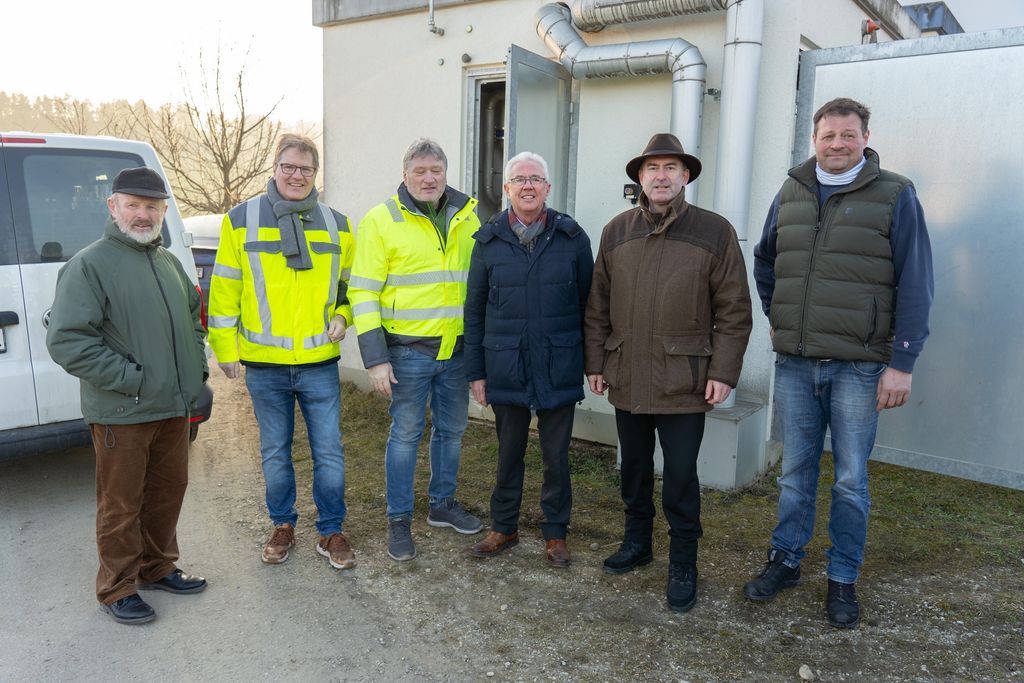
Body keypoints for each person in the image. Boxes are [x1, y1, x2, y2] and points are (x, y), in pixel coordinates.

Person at [745, 97, 934, 629]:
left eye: (848, 135)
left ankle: (843, 578)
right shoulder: (791, 190)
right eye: (828, 136)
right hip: (799, 363)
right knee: (795, 473)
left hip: (859, 367)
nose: (837, 144)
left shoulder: (895, 193)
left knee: (851, 479)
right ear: (815, 138)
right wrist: (778, 317)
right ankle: (785, 559)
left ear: (865, 136)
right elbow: (766, 259)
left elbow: (916, 280)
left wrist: (903, 361)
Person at [584, 133, 752, 613]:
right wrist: (595, 362)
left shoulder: (714, 231)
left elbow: (735, 310)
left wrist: (724, 371)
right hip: (628, 378)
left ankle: (684, 562)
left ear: (686, 177)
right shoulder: (616, 231)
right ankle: (638, 543)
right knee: (633, 470)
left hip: (685, 381)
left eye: (671, 168)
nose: (661, 176)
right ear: (640, 177)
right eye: (653, 168)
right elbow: (597, 305)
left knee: (680, 476)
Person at [46, 167, 209, 625]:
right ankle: (116, 588)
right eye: (134, 205)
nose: (143, 215)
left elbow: (195, 322)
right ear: (113, 207)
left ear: (163, 212)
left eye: (152, 207)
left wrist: (194, 372)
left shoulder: (168, 263)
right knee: (122, 504)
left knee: (166, 493)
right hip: (122, 410)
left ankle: (156, 567)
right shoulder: (90, 265)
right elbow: (68, 341)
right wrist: (131, 378)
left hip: (173, 407)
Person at [207, 134, 357, 570]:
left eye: (305, 170)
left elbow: (351, 287)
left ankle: (331, 530)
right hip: (265, 364)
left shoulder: (338, 224)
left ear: (315, 175)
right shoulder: (241, 219)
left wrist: (344, 317)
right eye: (289, 167)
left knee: (328, 451)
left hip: (318, 364)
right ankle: (283, 525)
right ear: (275, 169)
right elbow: (225, 289)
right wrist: (224, 347)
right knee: (275, 451)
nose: (297, 176)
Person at [349, 138, 483, 562]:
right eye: (420, 172)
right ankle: (399, 520)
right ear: (405, 174)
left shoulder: (468, 217)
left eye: (436, 171)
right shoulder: (381, 220)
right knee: (406, 435)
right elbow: (363, 291)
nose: (429, 179)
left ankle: (442, 504)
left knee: (452, 431)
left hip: (456, 352)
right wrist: (375, 358)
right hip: (407, 353)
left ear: (446, 174)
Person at [464, 152, 594, 568]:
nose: (527, 186)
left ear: (548, 188)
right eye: (518, 179)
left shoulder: (573, 239)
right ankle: (504, 526)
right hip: (507, 365)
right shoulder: (488, 242)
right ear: (506, 189)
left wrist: (593, 365)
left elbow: (590, 307)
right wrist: (477, 373)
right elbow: (474, 310)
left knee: (557, 457)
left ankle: (555, 533)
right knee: (509, 452)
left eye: (536, 178)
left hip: (558, 363)